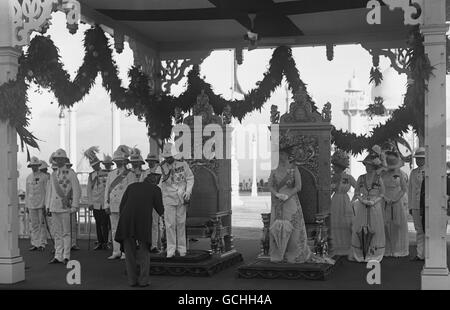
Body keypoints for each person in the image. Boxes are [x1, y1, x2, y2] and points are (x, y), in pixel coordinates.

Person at [114, 169, 164, 287]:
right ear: (155, 179)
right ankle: (144, 281)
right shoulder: (156, 189)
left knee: (129, 252)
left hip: (126, 222)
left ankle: (132, 281)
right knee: (144, 251)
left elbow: (122, 206)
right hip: (142, 222)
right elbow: (160, 210)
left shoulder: (132, 186)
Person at [267, 146, 312, 263]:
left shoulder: (293, 168)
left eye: (282, 154)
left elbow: (298, 186)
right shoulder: (274, 169)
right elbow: (270, 185)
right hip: (278, 203)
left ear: (287, 155)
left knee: (293, 227)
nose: (280, 156)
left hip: (291, 202)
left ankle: (294, 253)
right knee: (278, 227)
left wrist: (288, 195)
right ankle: (279, 253)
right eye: (279, 154)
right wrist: (276, 194)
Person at [45, 149, 81, 264]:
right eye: (57, 159)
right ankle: (57, 255)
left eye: (61, 159)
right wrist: (48, 206)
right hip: (54, 206)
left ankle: (66, 255)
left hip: (65, 207)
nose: (59, 161)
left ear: (65, 160)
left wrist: (75, 205)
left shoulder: (70, 173)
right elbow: (49, 192)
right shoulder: (53, 175)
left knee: (66, 232)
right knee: (57, 232)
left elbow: (76, 190)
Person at [159, 143, 194, 258]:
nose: (168, 159)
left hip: (181, 198)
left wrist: (188, 192)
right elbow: (158, 183)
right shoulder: (161, 167)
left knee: (180, 223)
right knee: (169, 225)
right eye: (166, 157)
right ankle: (171, 249)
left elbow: (190, 178)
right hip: (168, 198)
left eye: (170, 157)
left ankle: (182, 249)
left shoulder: (182, 164)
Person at [350, 153, 386, 263]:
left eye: (369, 165)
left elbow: (382, 193)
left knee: (375, 227)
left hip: (375, 206)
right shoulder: (361, 178)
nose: (367, 167)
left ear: (373, 166)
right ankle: (361, 252)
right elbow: (356, 192)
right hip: (362, 206)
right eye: (366, 164)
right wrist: (362, 200)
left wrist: (374, 201)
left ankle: (374, 252)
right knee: (361, 226)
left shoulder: (379, 178)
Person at [104, 145, 135, 259]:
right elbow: (107, 190)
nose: (118, 163)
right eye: (116, 161)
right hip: (113, 205)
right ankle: (116, 251)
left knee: (125, 229)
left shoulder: (130, 174)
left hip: (124, 205)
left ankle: (124, 252)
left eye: (120, 161)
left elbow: (131, 191)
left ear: (125, 161)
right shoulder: (111, 174)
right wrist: (106, 204)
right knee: (114, 229)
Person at [381, 151, 409, 257]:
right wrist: (385, 197)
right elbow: (379, 187)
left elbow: (404, 189)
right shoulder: (383, 174)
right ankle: (388, 249)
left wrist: (396, 199)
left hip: (397, 200)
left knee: (397, 224)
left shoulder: (401, 174)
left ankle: (398, 248)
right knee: (385, 224)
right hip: (385, 199)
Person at [330, 150, 356, 257]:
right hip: (335, 201)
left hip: (346, 201)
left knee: (346, 224)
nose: (333, 168)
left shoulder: (348, 177)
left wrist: (353, 200)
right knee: (335, 222)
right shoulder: (332, 177)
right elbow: (329, 191)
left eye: (335, 166)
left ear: (341, 167)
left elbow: (358, 189)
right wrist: (334, 182)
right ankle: (336, 246)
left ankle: (346, 247)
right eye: (334, 165)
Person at [85, 146, 109, 250]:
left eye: (96, 164)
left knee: (105, 223)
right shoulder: (91, 176)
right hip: (95, 203)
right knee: (98, 223)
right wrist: (90, 203)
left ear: (99, 163)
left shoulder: (107, 173)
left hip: (104, 203)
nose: (95, 167)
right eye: (93, 165)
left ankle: (106, 242)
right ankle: (100, 242)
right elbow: (88, 190)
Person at [140, 153, 163, 253]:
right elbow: (141, 185)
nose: (149, 163)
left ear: (156, 162)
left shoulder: (162, 172)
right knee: (149, 223)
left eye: (151, 161)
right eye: (148, 161)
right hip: (147, 200)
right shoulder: (145, 173)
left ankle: (158, 245)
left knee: (158, 223)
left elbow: (162, 187)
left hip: (158, 200)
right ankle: (150, 244)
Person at [25, 156, 49, 251]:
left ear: (38, 165)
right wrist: (27, 205)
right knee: (34, 225)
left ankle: (42, 243)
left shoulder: (44, 177)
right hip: (31, 204)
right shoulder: (28, 178)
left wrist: (45, 205)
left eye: (35, 165)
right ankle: (35, 243)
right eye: (32, 166)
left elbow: (47, 192)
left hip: (41, 204)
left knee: (41, 224)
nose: (34, 167)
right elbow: (27, 192)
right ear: (31, 166)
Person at [408, 147, 425, 261]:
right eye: (417, 158)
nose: (418, 161)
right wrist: (410, 206)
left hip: (425, 205)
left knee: (427, 229)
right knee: (418, 229)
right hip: (415, 204)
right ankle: (420, 254)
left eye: (420, 158)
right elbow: (410, 190)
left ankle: (428, 254)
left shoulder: (430, 171)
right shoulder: (413, 172)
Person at [65, 159, 81, 251]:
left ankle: (73, 243)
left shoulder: (73, 174)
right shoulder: (59, 174)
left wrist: (75, 202)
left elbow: (77, 189)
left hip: (71, 201)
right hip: (63, 203)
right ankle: (65, 244)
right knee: (64, 225)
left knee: (72, 225)